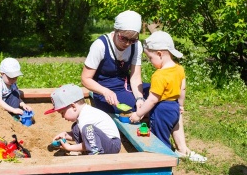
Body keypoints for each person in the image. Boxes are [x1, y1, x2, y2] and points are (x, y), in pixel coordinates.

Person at [129, 31, 207, 163]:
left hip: (162, 111)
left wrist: (138, 114)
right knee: (174, 128)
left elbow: (153, 100)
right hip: (174, 107)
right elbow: (182, 89)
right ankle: (183, 151)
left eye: (150, 58)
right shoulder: (179, 69)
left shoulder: (159, 75)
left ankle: (165, 168)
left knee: (160, 140)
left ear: (159, 54)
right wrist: (181, 105)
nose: (150, 61)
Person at [81, 10, 149, 114]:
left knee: (157, 95)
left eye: (132, 40)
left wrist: (140, 98)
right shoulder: (100, 45)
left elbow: (135, 77)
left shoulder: (136, 46)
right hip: (104, 88)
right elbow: (85, 79)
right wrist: (105, 91)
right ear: (115, 30)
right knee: (132, 105)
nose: (127, 43)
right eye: (123, 38)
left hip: (126, 85)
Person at [45, 84, 121, 155]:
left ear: (73, 107)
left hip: (112, 145)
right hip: (105, 142)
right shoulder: (84, 113)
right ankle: (90, 152)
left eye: (62, 112)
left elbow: (88, 142)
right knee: (76, 128)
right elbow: (87, 137)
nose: (62, 116)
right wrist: (66, 135)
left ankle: (96, 156)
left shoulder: (86, 119)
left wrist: (69, 147)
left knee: (87, 129)